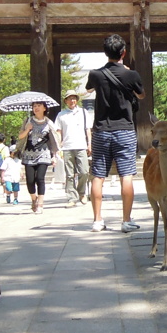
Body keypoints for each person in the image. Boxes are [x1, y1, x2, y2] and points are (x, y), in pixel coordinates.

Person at [86, 33, 144, 233]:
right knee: (126, 175)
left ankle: (97, 220)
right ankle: (126, 220)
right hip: (125, 129)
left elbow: (89, 89)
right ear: (124, 52)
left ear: (105, 52)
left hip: (101, 129)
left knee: (98, 175)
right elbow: (141, 95)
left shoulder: (94, 74)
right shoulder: (131, 75)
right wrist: (126, 72)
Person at [17, 100, 58, 215]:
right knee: (30, 180)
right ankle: (34, 199)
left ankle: (40, 204)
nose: (36, 108)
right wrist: (27, 129)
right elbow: (20, 136)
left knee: (40, 178)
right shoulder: (28, 121)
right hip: (29, 153)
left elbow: (54, 140)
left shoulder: (49, 123)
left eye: (39, 106)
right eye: (34, 106)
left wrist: (54, 155)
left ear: (45, 108)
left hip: (43, 153)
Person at [56, 90, 92, 208]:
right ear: (65, 101)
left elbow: (88, 129)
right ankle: (72, 197)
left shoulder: (83, 112)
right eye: (69, 99)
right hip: (67, 146)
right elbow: (59, 131)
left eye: (74, 98)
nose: (72, 101)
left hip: (81, 145)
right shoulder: (61, 115)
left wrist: (89, 143)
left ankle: (81, 193)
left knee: (84, 171)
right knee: (69, 174)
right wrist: (59, 146)